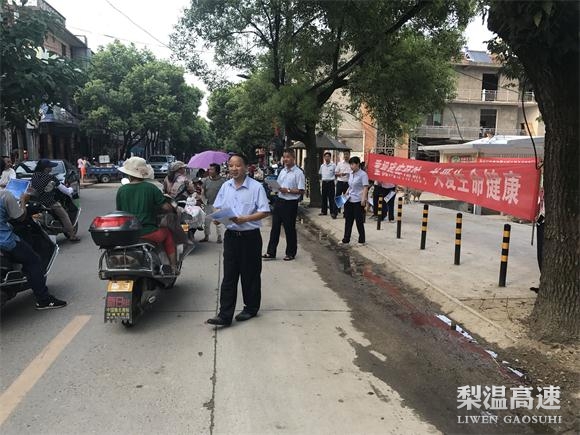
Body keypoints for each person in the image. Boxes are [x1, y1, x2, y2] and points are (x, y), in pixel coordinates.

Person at [207, 154, 270, 326]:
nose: (234, 169)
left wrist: (245, 219)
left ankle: (251, 308)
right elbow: (218, 206)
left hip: (250, 237)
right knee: (229, 275)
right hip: (231, 237)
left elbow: (265, 211)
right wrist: (217, 217)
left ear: (246, 167)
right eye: (231, 166)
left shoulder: (256, 187)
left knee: (250, 275)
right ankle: (224, 315)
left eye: (237, 165)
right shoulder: (226, 186)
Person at [0, 159, 66, 309]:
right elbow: (20, 217)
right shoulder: (5, 195)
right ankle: (43, 299)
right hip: (4, 241)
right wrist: (23, 200)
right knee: (33, 260)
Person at [116, 157, 179, 273]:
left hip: (128, 234)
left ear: (129, 174)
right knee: (168, 234)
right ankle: (173, 267)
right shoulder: (151, 188)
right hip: (148, 232)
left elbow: (119, 212)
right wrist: (171, 208)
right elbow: (166, 207)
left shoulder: (122, 190)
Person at [263, 148, 305, 261]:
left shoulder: (298, 173)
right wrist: (273, 186)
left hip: (290, 203)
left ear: (293, 158)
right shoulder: (282, 171)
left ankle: (291, 253)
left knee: (289, 228)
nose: (285, 159)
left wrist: (288, 190)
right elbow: (279, 186)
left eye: (288, 157)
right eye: (284, 157)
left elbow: (301, 190)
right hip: (279, 201)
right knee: (275, 227)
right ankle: (271, 252)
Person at [30, 159, 80, 242]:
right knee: (64, 215)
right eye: (50, 167)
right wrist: (71, 189)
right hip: (49, 202)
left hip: (36, 202)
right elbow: (65, 191)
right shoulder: (50, 177)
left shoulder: (34, 176)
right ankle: (72, 235)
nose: (51, 168)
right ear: (46, 168)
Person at [341, 156, 369, 245]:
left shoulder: (363, 175)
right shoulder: (351, 173)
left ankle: (362, 240)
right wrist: (346, 193)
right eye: (350, 164)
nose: (351, 166)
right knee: (348, 220)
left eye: (353, 164)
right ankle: (346, 239)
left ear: (358, 164)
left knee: (359, 221)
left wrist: (363, 199)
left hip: (358, 200)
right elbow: (350, 185)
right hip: (349, 199)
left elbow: (365, 187)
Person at [201, 163, 226, 243]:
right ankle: (206, 236)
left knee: (218, 221)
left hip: (218, 205)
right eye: (209, 169)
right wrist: (204, 200)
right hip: (208, 204)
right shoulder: (206, 180)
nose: (209, 171)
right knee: (206, 221)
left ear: (217, 171)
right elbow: (203, 191)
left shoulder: (223, 181)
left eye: (212, 169)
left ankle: (219, 237)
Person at [319, 151, 337, 218]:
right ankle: (324, 211)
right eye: (325, 156)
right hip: (324, 183)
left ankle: (332, 212)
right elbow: (320, 174)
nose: (327, 158)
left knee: (331, 198)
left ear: (330, 157)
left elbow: (336, 174)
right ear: (324, 157)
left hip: (331, 183)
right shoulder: (322, 166)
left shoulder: (333, 165)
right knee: (324, 197)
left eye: (328, 156)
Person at [335, 151, 352, 216]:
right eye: (345, 154)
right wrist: (341, 174)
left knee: (346, 197)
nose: (346, 156)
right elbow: (335, 173)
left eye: (347, 154)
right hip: (340, 182)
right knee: (338, 197)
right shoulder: (340, 163)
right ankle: (335, 212)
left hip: (348, 183)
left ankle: (346, 213)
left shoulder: (351, 164)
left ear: (349, 155)